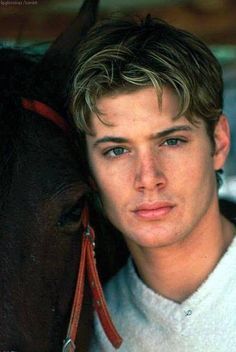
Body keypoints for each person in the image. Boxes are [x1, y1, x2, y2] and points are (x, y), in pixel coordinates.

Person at [69, 15, 236, 351]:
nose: (148, 178)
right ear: (88, 168)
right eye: (117, 150)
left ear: (217, 142)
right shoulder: (88, 332)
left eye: (171, 141)